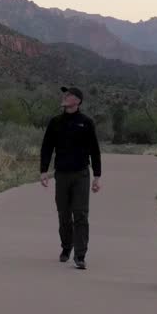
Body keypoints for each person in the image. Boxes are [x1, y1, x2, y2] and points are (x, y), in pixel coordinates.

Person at [39, 85, 102, 270]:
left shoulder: (86, 122)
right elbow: (46, 147)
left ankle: (80, 255)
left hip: (81, 174)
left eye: (69, 95)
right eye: (65, 94)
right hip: (62, 175)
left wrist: (97, 176)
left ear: (77, 101)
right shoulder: (55, 122)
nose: (65, 97)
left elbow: (95, 151)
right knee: (64, 214)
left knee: (81, 214)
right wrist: (43, 171)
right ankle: (66, 247)